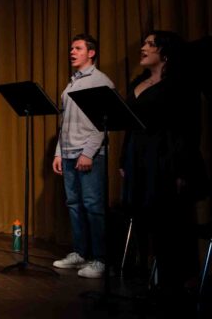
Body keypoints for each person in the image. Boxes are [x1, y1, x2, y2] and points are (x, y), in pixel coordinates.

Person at [120, 31, 207, 295]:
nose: (143, 48)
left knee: (170, 217)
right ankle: (149, 272)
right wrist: (124, 158)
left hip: (165, 156)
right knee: (142, 213)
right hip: (138, 155)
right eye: (144, 43)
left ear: (165, 53)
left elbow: (189, 129)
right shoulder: (138, 81)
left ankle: (177, 278)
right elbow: (128, 124)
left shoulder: (180, 85)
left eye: (150, 44)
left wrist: (183, 169)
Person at [52, 34, 115, 278]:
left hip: (89, 154)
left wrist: (88, 153)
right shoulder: (71, 84)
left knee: (93, 206)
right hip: (68, 153)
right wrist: (59, 152)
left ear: (91, 53)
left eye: (77, 48)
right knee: (74, 204)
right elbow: (64, 123)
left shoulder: (100, 81)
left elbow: (104, 122)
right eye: (71, 48)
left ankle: (99, 259)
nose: (72, 52)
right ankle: (80, 253)